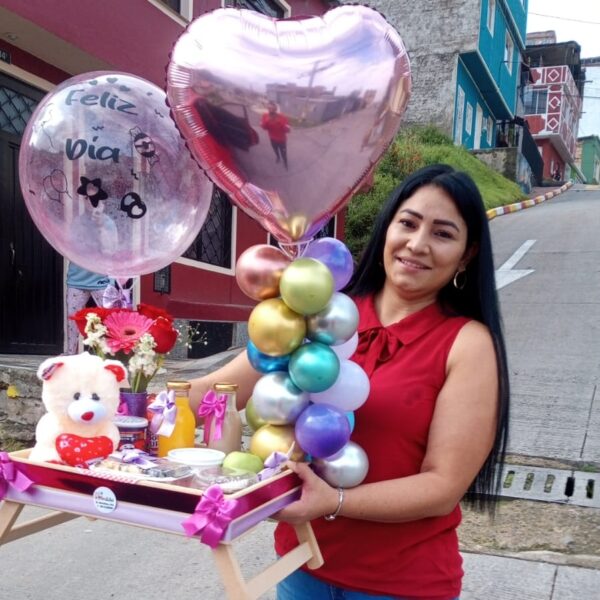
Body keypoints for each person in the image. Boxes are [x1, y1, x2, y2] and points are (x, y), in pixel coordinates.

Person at [189, 164, 510, 600]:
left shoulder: (467, 345)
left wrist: (334, 502)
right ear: (387, 226)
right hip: (303, 567)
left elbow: (442, 487)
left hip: (403, 585)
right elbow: (219, 392)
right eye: (408, 223)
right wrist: (123, 383)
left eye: (442, 233)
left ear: (466, 254)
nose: (417, 244)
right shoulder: (320, 314)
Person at [65, 262, 111, 354]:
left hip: (102, 280)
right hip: (75, 281)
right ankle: (70, 355)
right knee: (72, 321)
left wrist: (112, 280)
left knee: (110, 320)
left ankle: (111, 354)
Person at [261, 101, 291, 169]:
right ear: (267, 108)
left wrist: (279, 122)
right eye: (269, 108)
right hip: (272, 139)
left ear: (276, 109)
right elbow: (263, 128)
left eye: (272, 108)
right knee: (275, 150)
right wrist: (267, 120)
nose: (270, 110)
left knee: (283, 153)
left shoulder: (283, 117)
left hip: (282, 140)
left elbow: (288, 130)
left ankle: (285, 163)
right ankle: (278, 157)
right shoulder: (265, 116)